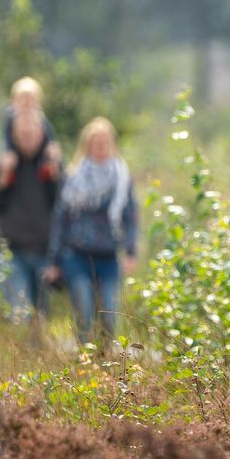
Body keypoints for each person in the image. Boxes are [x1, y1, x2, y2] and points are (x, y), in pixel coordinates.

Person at [45, 117, 138, 346]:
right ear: (87, 145)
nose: (101, 147)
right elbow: (61, 220)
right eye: (96, 142)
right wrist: (53, 261)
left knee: (110, 315)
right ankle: (85, 359)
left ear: (112, 144)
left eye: (105, 142)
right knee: (84, 314)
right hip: (77, 256)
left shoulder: (121, 178)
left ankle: (105, 359)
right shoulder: (73, 177)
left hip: (109, 257)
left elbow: (130, 217)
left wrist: (130, 251)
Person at [0, 110, 61, 326]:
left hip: (45, 252)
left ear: (42, 133)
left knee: (41, 318)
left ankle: (36, 349)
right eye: (22, 134)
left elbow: (63, 206)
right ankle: (17, 348)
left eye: (32, 134)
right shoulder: (5, 164)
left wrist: (56, 175)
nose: (28, 139)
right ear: (13, 135)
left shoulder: (50, 164)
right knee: (19, 316)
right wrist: (2, 178)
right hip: (13, 252)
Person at [1, 76, 61, 166]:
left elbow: (49, 136)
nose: (27, 102)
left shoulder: (40, 118)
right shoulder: (11, 119)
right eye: (23, 98)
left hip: (39, 158)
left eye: (30, 98)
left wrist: (51, 148)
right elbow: (5, 138)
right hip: (16, 157)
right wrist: (7, 151)